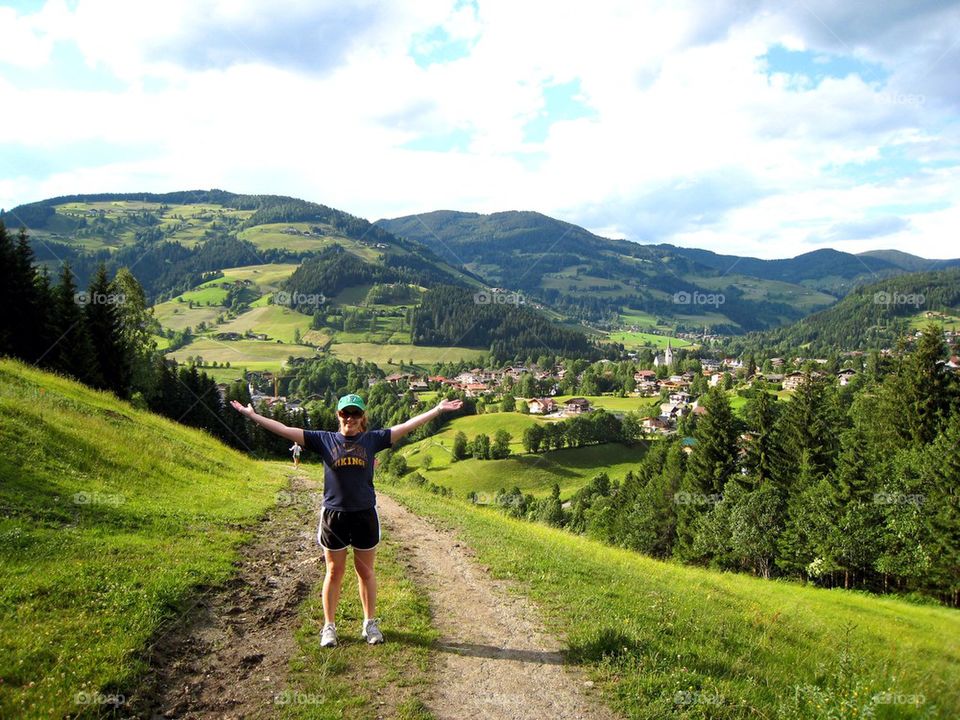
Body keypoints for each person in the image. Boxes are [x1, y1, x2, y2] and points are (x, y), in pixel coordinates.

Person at [230, 392, 462, 646]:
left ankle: (369, 624)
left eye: (355, 413)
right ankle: (329, 627)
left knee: (365, 571)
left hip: (364, 514)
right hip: (334, 515)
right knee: (334, 571)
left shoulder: (372, 440)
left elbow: (406, 426)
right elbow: (284, 429)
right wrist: (252, 416)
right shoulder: (323, 440)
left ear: (363, 417)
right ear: (338, 415)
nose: (350, 418)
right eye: (345, 413)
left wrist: (437, 410)